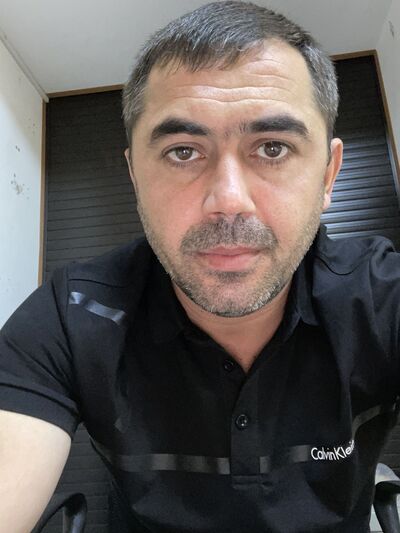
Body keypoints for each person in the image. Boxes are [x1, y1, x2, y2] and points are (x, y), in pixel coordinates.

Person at [0, 1, 399, 531]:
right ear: (135, 177)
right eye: (183, 152)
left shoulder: (383, 297)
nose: (228, 200)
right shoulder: (71, 314)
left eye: (273, 148)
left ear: (328, 176)